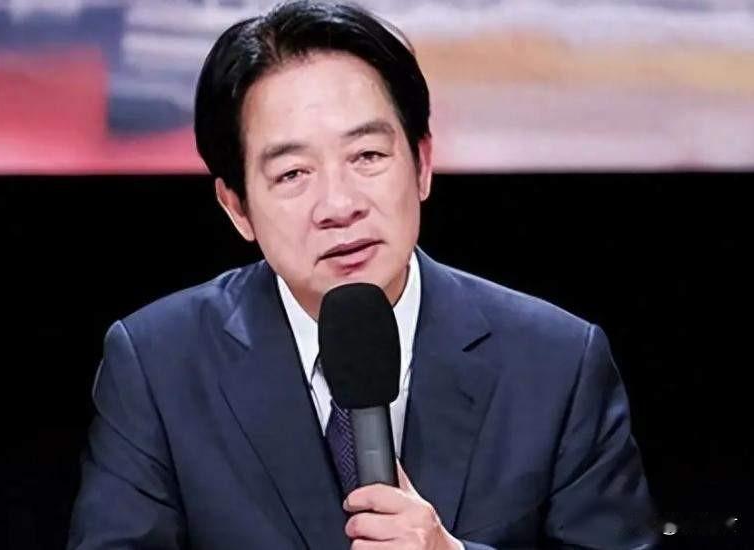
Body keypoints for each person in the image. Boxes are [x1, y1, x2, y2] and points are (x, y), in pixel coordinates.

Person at [67, 1, 660, 548]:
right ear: (237, 207)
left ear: (422, 163)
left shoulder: (557, 364)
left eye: (367, 156)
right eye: (293, 174)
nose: (339, 204)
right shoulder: (158, 366)